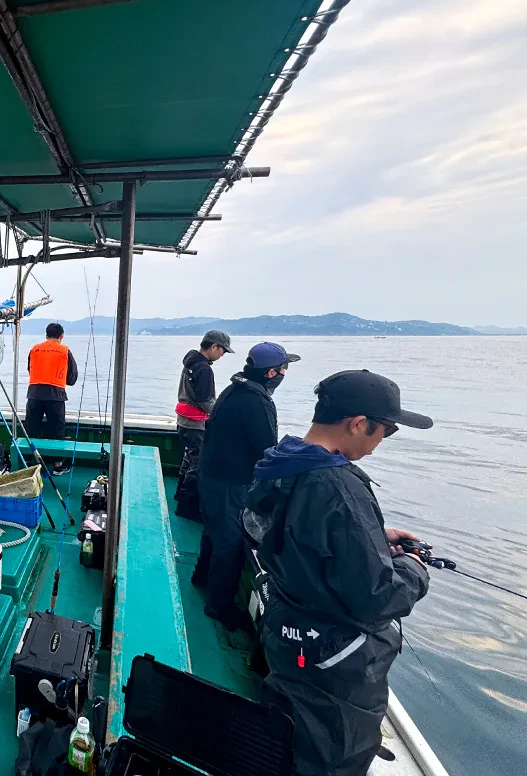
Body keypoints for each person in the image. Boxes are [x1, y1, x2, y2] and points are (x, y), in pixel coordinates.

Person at [243, 370, 433, 776]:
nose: (381, 441)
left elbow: (274, 529)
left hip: (285, 633)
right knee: (332, 756)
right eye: (385, 430)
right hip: (335, 658)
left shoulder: (281, 461)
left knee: (284, 737)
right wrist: (414, 568)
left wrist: (372, 536)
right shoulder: (339, 486)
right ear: (358, 423)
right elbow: (376, 596)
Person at [193, 341, 300, 630]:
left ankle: (200, 576)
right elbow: (267, 449)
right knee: (228, 542)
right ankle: (219, 606)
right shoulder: (257, 402)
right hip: (229, 482)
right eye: (283, 369)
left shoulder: (235, 389)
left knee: (212, 530)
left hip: (211, 474)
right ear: (271, 374)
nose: (284, 374)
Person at [173, 330, 233, 521]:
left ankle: (179, 493)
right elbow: (205, 400)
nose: (222, 355)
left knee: (188, 458)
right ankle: (187, 507)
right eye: (223, 350)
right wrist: (221, 414)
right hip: (196, 424)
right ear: (214, 346)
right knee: (197, 464)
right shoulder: (204, 368)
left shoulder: (190, 362)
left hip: (184, 422)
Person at [25, 322, 79, 475]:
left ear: (46, 335)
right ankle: (58, 464)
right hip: (56, 395)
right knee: (57, 430)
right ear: (61, 336)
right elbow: (72, 378)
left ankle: (31, 463)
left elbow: (30, 369)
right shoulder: (65, 350)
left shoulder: (34, 349)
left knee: (32, 428)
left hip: (34, 394)